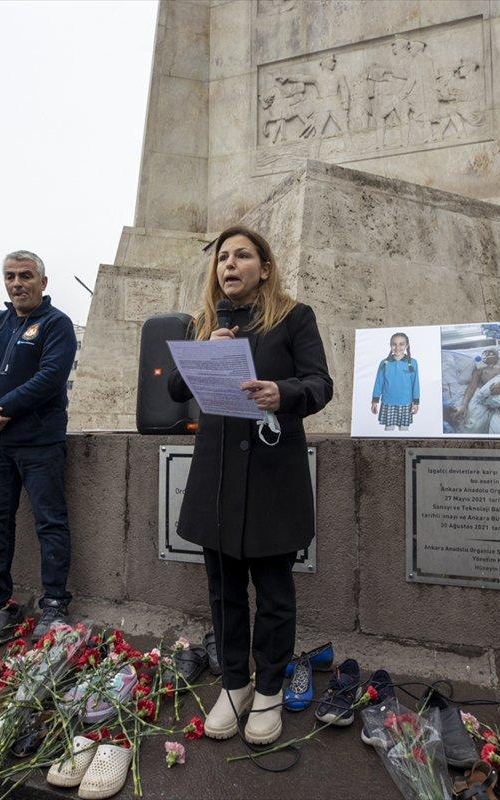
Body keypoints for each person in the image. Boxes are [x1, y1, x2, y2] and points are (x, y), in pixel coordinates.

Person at [167, 226, 332, 746]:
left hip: (270, 476)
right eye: (223, 258)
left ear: (265, 267)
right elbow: (173, 388)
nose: (229, 265)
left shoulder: (293, 317)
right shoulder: (205, 322)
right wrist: (203, 352)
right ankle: (235, 683)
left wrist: (279, 392)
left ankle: (270, 690)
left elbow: (320, 384)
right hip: (217, 477)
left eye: (242, 256)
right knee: (224, 591)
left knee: (275, 593)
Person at [0, 250, 78, 646]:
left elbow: (50, 378)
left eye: (26, 276)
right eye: (10, 276)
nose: (17, 283)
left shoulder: (57, 324)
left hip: (39, 441)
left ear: (43, 282)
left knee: (50, 523)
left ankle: (55, 602)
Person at [370, 331, 419, 431]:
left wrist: (416, 402)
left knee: (404, 429)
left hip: (406, 402)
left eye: (401, 344)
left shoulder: (413, 363)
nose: (397, 347)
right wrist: (375, 401)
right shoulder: (384, 363)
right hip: (388, 402)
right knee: (389, 429)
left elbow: (415, 383)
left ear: (407, 345)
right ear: (390, 345)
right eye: (394, 344)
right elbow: (379, 383)